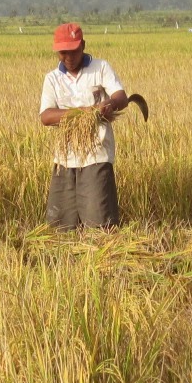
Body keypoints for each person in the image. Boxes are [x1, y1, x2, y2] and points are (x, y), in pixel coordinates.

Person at [39, 22, 129, 229]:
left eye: (73, 52)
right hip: (64, 157)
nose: (68, 58)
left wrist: (109, 104)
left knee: (99, 223)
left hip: (96, 154)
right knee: (61, 226)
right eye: (63, 53)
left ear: (83, 46)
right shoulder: (52, 79)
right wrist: (82, 113)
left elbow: (121, 96)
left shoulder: (101, 68)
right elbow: (46, 116)